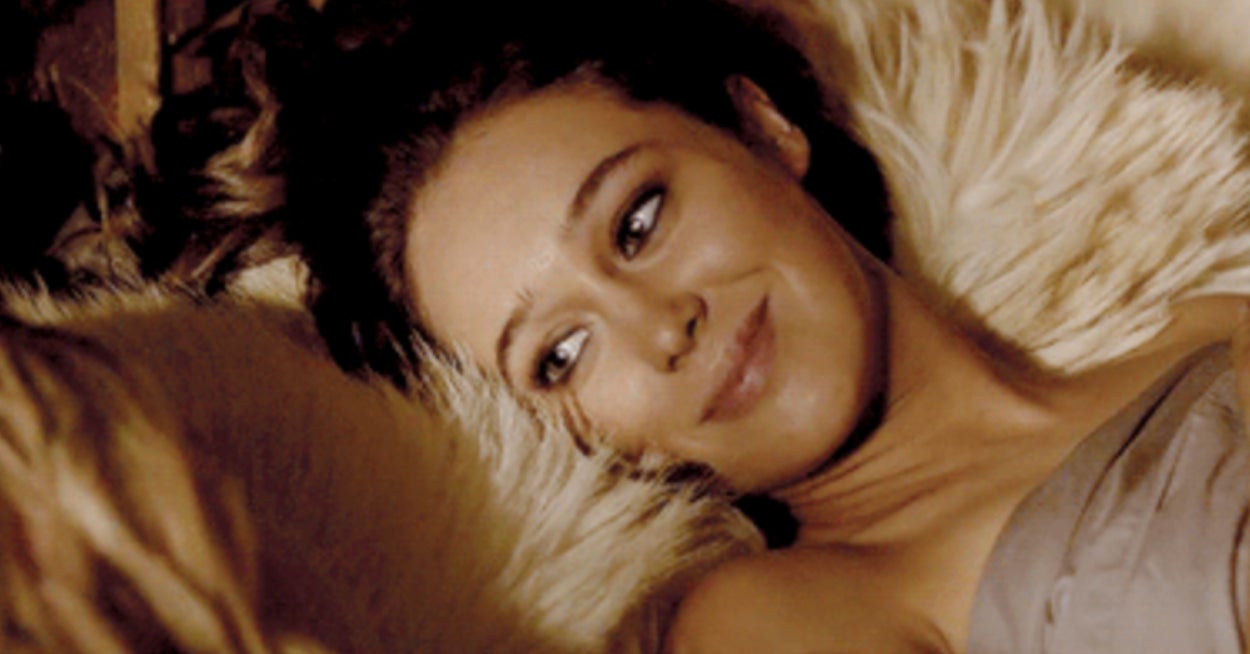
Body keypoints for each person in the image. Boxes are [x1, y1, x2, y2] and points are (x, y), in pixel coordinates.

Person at [211, 0, 1250, 651]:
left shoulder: (1211, 325)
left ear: (762, 126)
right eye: (560, 355)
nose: (661, 328)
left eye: (638, 221)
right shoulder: (773, 621)